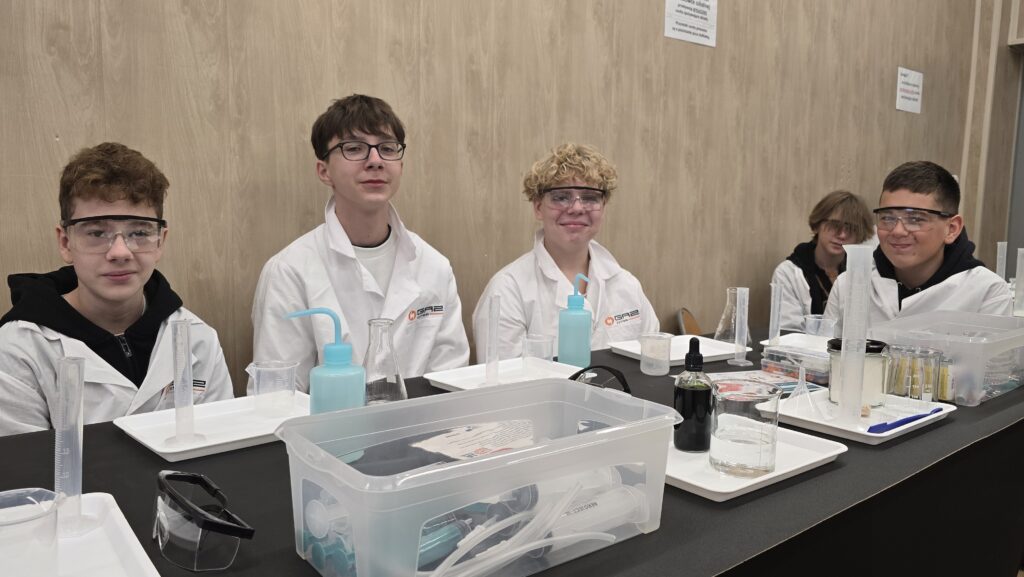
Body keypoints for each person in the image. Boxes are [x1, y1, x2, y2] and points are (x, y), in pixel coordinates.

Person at [0, 143, 233, 436]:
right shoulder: (19, 351)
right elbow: (20, 462)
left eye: (139, 232)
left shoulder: (198, 339)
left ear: (160, 241)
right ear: (65, 243)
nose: (120, 251)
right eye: (97, 233)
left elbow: (221, 446)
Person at [252, 95, 469, 391]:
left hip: (422, 421)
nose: (375, 161)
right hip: (327, 423)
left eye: (387, 148)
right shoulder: (289, 271)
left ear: (400, 166)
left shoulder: (434, 267)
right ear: (324, 171)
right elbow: (276, 397)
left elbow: (451, 384)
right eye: (354, 148)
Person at [473, 143, 658, 359]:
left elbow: (653, 360)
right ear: (538, 208)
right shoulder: (507, 290)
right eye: (561, 197)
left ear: (603, 208)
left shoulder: (627, 286)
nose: (577, 208)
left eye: (590, 198)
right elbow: (502, 377)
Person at [824, 161, 1012, 330]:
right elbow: (821, 354)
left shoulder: (986, 292)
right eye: (887, 218)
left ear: (952, 229)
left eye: (915, 219)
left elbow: (994, 359)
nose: (898, 231)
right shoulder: (849, 284)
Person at [771, 190, 874, 331]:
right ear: (817, 225)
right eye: (835, 225)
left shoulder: (866, 274)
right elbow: (788, 333)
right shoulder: (788, 273)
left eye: (851, 228)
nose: (842, 235)